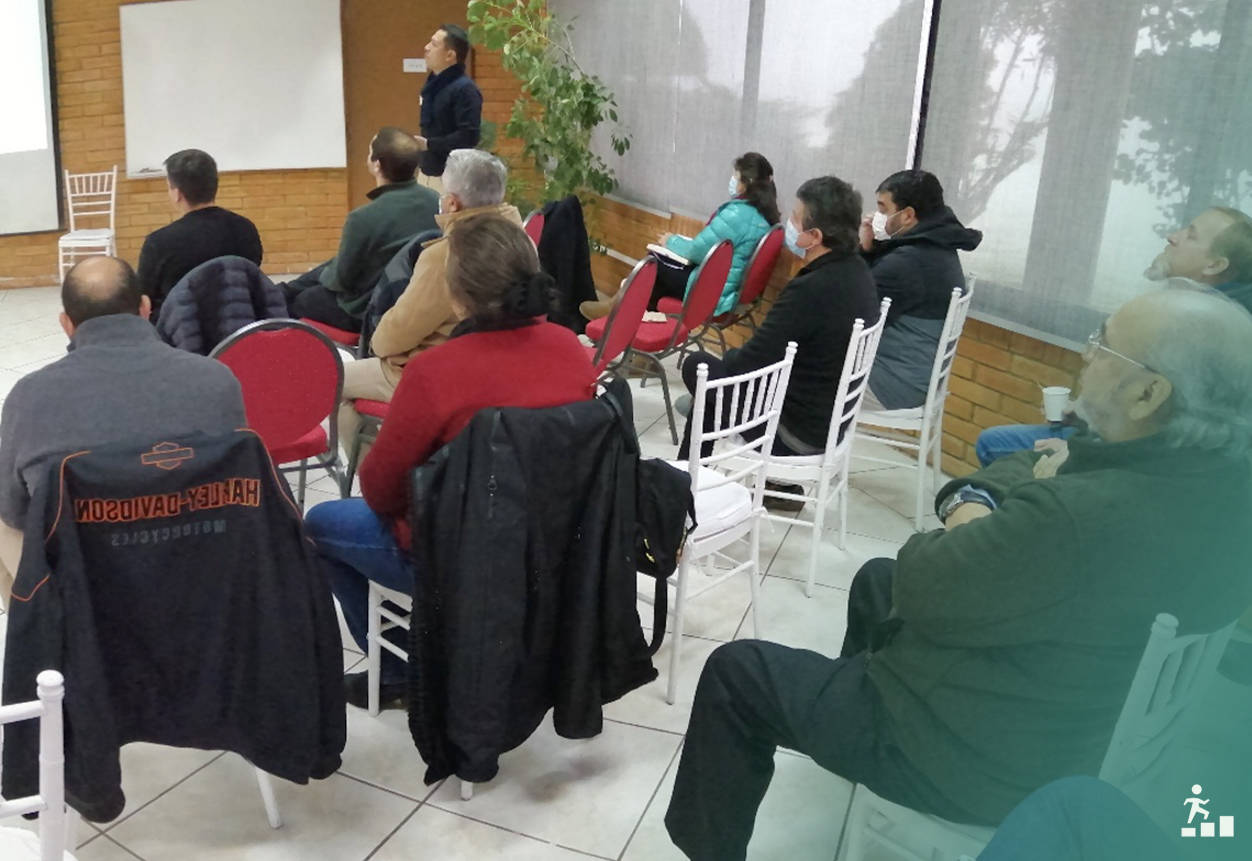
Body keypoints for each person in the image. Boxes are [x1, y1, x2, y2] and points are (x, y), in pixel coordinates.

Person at [664, 287, 1252, 861]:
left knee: (737, 672)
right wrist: (1021, 486)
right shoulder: (1217, 491)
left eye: (1104, 345)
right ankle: (846, 730)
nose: (1087, 354)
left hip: (980, 756)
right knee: (874, 578)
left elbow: (925, 577)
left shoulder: (1082, 515)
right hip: (1078, 716)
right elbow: (1035, 463)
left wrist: (970, 508)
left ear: (1149, 393)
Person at [305, 214, 595, 708]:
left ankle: (399, 673)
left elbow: (380, 490)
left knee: (318, 526)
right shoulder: (572, 351)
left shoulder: (436, 372)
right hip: (554, 545)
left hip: (459, 556)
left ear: (457, 299)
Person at [0, 257, 247, 605]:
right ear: (145, 308)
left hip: (84, 598)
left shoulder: (28, 398)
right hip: (202, 581)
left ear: (66, 324)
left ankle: (39, 626)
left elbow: (14, 513)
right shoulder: (217, 380)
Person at [975, 205, 1252, 466]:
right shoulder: (1189, 306)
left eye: (1190, 235)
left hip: (1131, 456)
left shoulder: (1208, 335)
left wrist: (1082, 452)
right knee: (995, 442)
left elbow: (1172, 437)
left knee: (992, 445)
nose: (1172, 236)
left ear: (1214, 265)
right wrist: (1085, 412)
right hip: (1107, 433)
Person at [675, 175, 879, 468]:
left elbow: (751, 362)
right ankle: (689, 475)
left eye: (795, 218)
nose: (789, 225)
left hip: (791, 433)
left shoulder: (812, 288)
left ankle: (685, 479)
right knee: (709, 397)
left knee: (699, 366)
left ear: (815, 236)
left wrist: (727, 362)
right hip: (826, 422)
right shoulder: (859, 272)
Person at [337, 149, 520, 459]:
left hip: (439, 373)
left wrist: (378, 341)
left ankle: (376, 474)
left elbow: (394, 337)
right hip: (501, 367)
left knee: (331, 381)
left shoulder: (447, 254)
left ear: (452, 203)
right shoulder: (520, 239)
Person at [579, 152, 780, 319]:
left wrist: (670, 241)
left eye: (735, 177)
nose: (732, 181)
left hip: (712, 293)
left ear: (746, 183)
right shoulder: (764, 216)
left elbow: (697, 251)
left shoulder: (737, 215)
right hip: (727, 289)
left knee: (653, 263)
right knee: (656, 281)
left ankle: (614, 313)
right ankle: (630, 326)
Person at [282, 127, 439, 332]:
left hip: (368, 309)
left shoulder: (362, 218)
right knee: (317, 274)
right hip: (418, 300)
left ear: (377, 165)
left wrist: (323, 275)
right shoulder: (437, 201)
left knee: (303, 298)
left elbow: (341, 281)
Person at [858, 169, 981, 410]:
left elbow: (854, 313)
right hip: (915, 376)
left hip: (891, 385)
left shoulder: (907, 262)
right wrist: (867, 248)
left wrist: (861, 253)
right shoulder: (937, 247)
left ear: (907, 215)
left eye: (883, 209)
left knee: (794, 377)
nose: (876, 217)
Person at [136, 149, 262, 319]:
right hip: (239, 323)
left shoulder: (159, 242)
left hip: (178, 329)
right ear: (214, 186)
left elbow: (144, 301)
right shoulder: (246, 229)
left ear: (177, 193)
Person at [414, 24, 482, 191]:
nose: (426, 48)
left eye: (434, 44)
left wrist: (430, 144)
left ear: (450, 55)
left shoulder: (465, 89)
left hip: (452, 177)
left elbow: (468, 137)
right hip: (427, 170)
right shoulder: (432, 85)